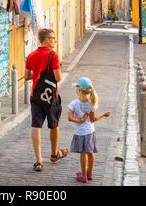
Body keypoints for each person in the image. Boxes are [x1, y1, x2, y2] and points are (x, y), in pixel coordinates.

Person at [25, 28, 68, 172]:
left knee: (36, 125)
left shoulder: (31, 55)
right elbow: (58, 78)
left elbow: (26, 76)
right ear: (46, 40)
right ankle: (54, 154)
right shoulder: (53, 55)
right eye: (53, 38)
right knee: (54, 124)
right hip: (51, 97)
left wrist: (37, 75)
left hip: (36, 96)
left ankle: (38, 161)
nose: (54, 40)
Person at [68, 77, 111, 183]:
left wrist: (78, 120)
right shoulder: (92, 103)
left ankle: (83, 176)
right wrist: (103, 115)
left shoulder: (74, 103)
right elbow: (93, 119)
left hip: (80, 133)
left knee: (83, 154)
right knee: (90, 153)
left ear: (78, 90)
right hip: (90, 132)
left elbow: (69, 117)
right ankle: (89, 173)